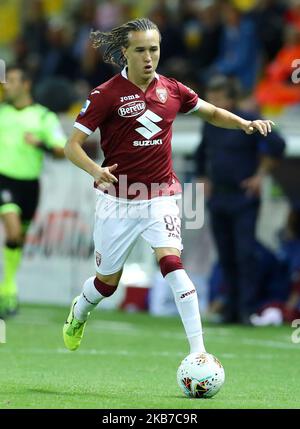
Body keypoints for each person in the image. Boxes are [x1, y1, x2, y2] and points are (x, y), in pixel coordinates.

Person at [62, 18, 275, 353]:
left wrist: (245, 124)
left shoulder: (172, 89)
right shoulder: (105, 95)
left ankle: (199, 353)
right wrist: (94, 170)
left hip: (161, 194)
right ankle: (80, 311)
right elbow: (71, 145)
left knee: (172, 265)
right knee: (106, 283)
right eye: (141, 50)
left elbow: (213, 112)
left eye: (154, 49)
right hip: (118, 199)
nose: (149, 57)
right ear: (124, 53)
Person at [195, 75, 286, 324]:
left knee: (245, 254)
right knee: (225, 255)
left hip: (243, 198)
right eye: (211, 97)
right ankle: (231, 309)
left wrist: (261, 174)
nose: (213, 102)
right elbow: (201, 153)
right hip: (219, 198)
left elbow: (277, 143)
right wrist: (203, 177)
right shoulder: (209, 124)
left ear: (232, 98)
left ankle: (247, 309)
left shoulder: (245, 121)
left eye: (219, 97)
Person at [0, 66, 66, 317]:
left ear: (26, 85)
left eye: (13, 81)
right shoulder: (2, 113)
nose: (7, 86)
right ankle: (9, 290)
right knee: (13, 229)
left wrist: (40, 143)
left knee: (17, 240)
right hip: (3, 180)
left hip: (29, 185)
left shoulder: (43, 117)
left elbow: (61, 150)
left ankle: (6, 286)